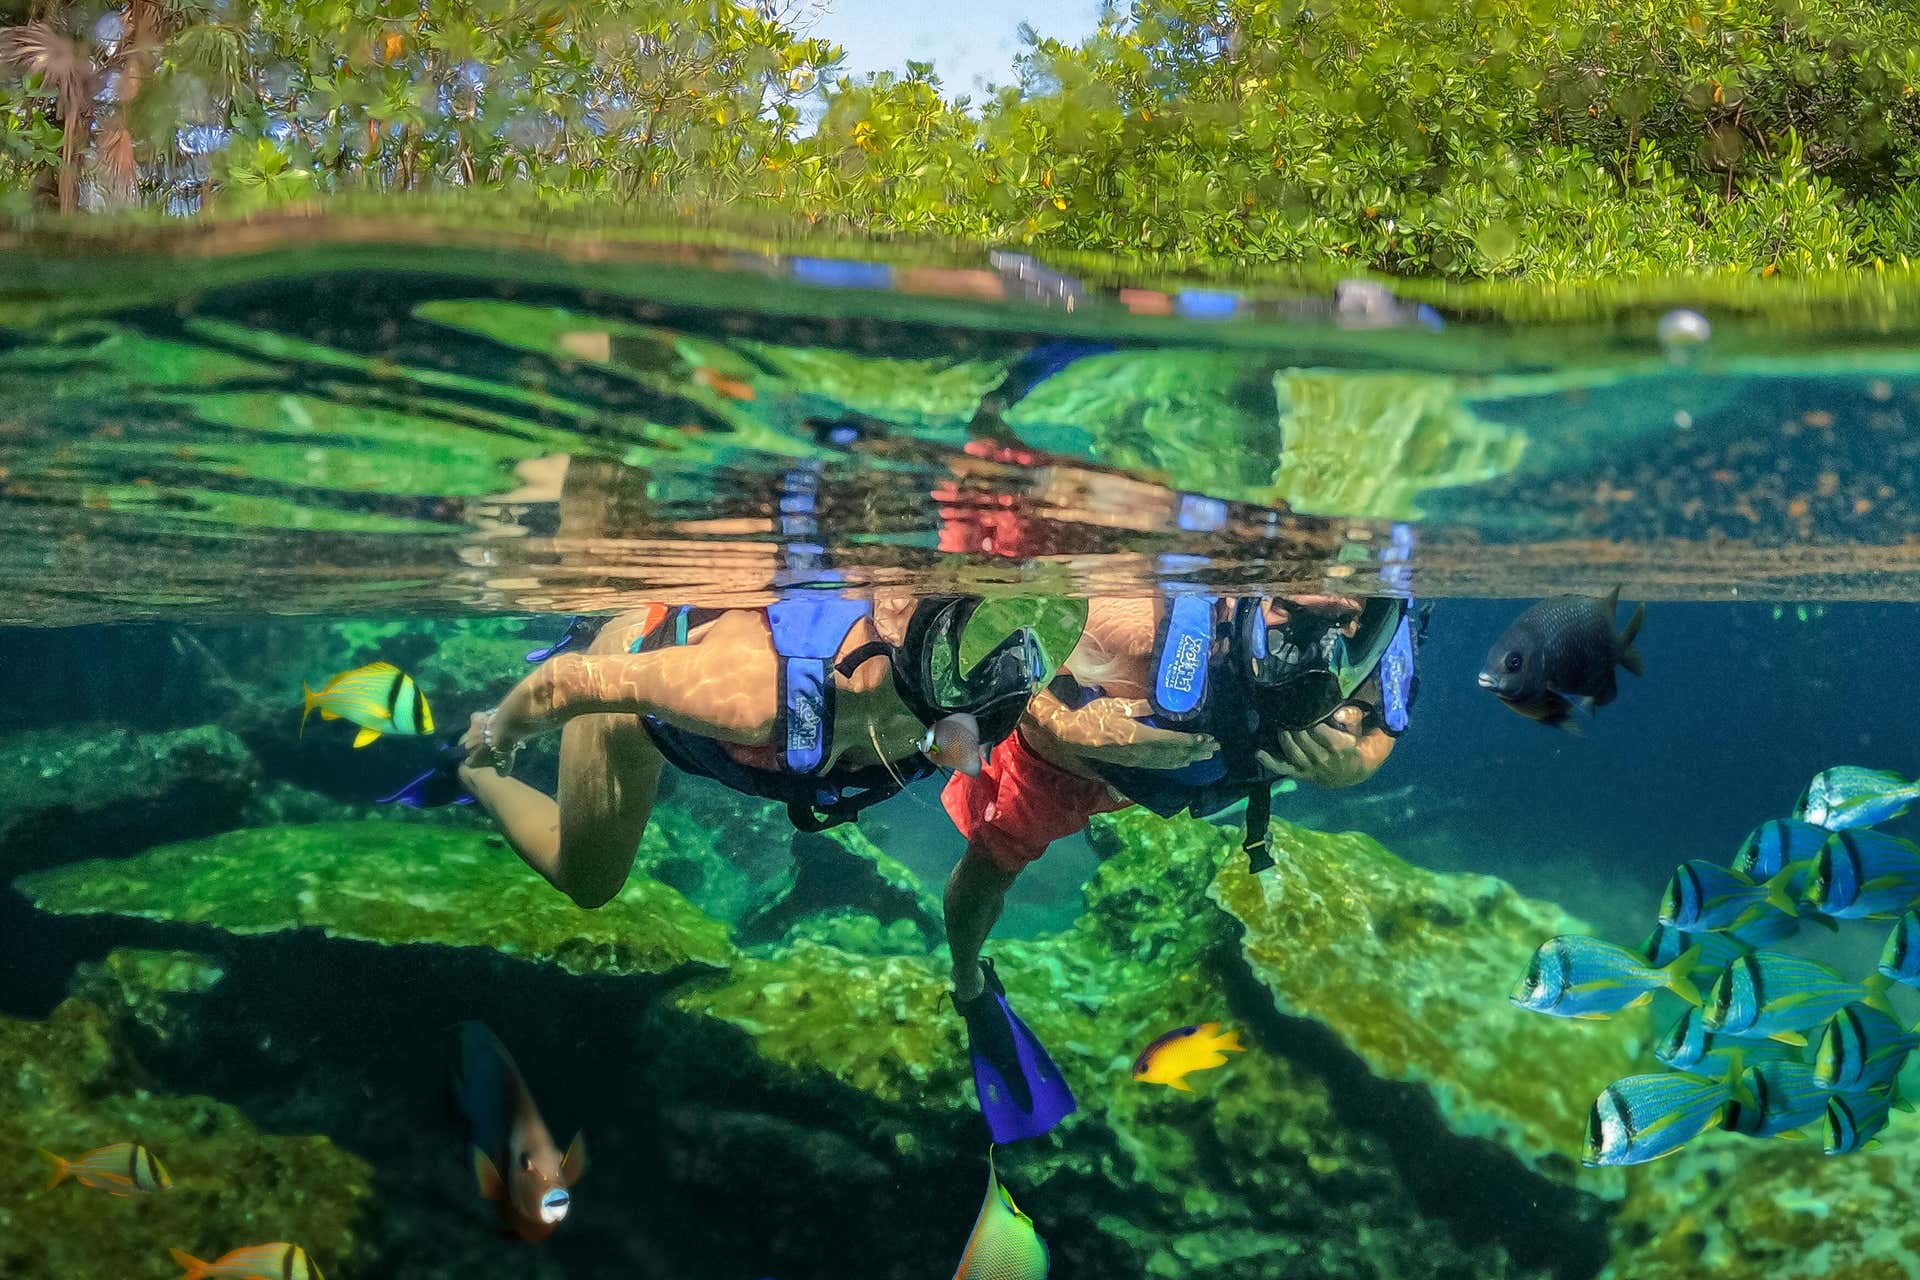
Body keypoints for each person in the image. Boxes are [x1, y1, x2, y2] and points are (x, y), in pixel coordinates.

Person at [942, 592, 1421, 1143]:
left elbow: (1393, 703)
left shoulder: (1372, 621)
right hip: (1068, 762)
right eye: (1293, 610)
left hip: (1210, 765)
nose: (1326, 639)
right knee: (992, 860)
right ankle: (969, 981)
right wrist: (1069, 727)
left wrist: (1356, 766)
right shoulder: (1131, 625)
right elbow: (991, 653)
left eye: (1343, 620)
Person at [421, 594, 1048, 909]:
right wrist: (498, 736)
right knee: (588, 883)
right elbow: (566, 684)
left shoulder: (977, 707)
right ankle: (472, 771)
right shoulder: (757, 695)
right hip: (632, 712)